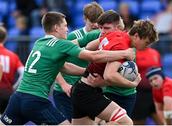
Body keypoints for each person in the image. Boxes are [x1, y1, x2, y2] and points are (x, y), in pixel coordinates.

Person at [0, 11, 134, 125]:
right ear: (56, 28)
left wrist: (86, 72)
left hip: (17, 98)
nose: (67, 29)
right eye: (65, 26)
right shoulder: (61, 44)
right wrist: (124, 53)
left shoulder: (39, 42)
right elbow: (94, 56)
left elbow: (64, 67)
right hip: (36, 101)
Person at [71, 11, 159, 125]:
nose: (146, 46)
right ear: (137, 36)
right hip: (87, 92)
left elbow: (89, 46)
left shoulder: (117, 34)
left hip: (81, 88)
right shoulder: (122, 46)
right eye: (146, 42)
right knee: (126, 123)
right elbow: (110, 75)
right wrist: (132, 83)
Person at [53, 2, 104, 122]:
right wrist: (63, 85)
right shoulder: (72, 37)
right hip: (66, 93)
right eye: (92, 21)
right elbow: (54, 63)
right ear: (84, 19)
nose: (96, 25)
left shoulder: (102, 37)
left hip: (88, 91)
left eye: (98, 21)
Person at [131, 47, 162, 125]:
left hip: (155, 92)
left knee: (162, 121)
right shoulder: (132, 52)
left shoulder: (155, 52)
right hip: (139, 93)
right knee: (138, 122)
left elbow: (159, 71)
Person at [0, 26, 24, 115]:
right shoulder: (12, 55)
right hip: (7, 93)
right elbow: (23, 72)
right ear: (5, 38)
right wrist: (14, 87)